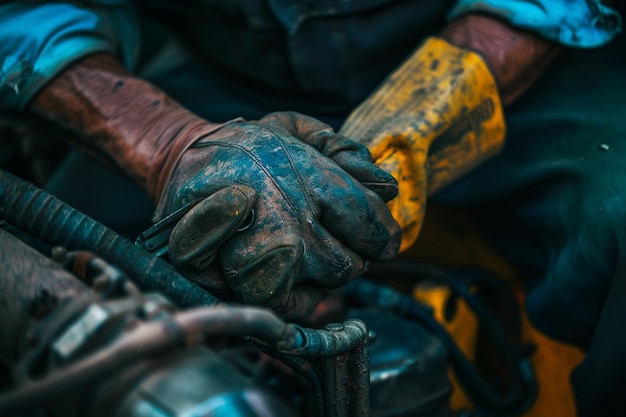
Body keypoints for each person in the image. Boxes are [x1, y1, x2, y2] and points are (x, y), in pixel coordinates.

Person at [0, 1, 625, 415]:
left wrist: (425, 110)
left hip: (507, 50)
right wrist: (169, 147)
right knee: (69, 284)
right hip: (196, 82)